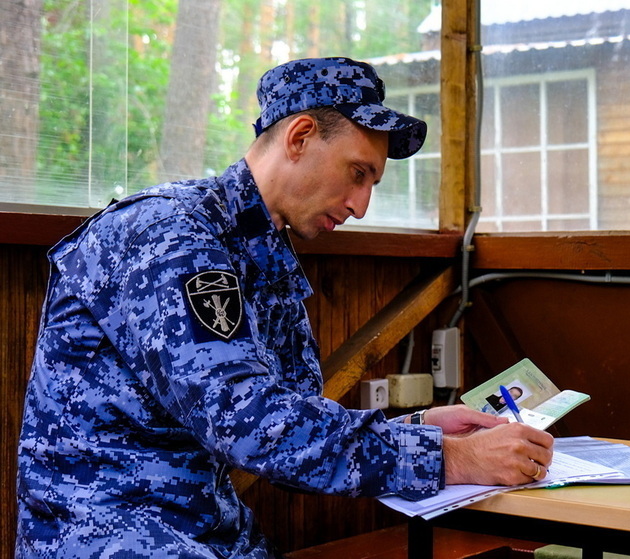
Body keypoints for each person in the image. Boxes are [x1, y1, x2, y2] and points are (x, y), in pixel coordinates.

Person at [16, 57, 553, 558]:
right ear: (300, 137)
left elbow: (293, 425)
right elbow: (249, 424)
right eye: (358, 173)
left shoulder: (265, 254)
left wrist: (420, 427)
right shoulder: (171, 236)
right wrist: (451, 459)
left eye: (372, 183)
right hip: (109, 533)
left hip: (204, 531)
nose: (361, 206)